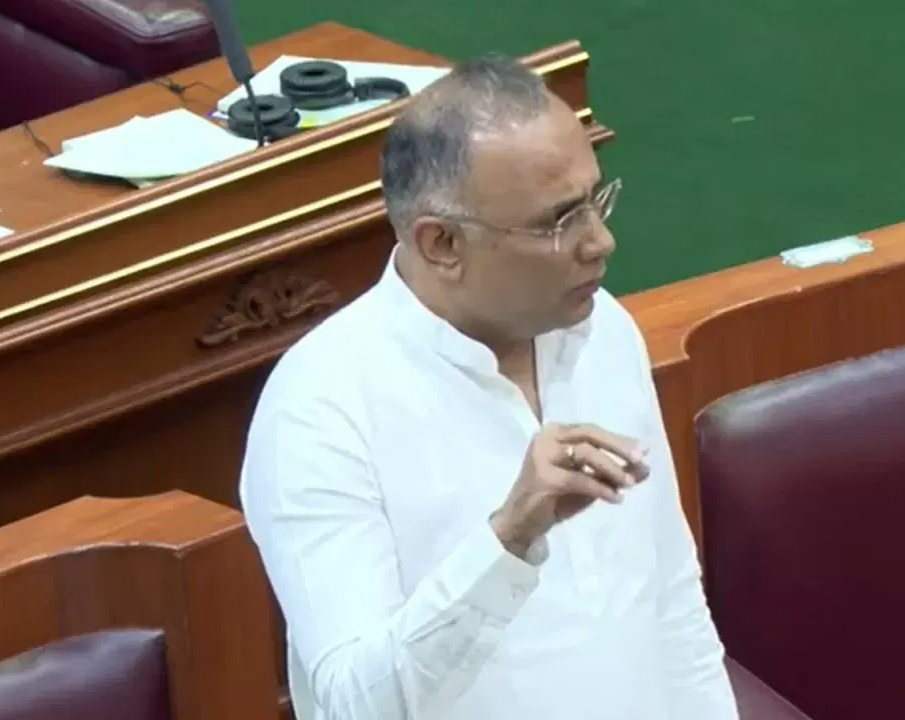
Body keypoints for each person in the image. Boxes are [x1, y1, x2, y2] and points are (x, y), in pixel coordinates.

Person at [239, 53, 738, 720]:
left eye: (596, 201)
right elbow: (353, 704)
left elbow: (670, 599)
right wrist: (508, 540)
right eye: (560, 221)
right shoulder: (318, 409)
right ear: (442, 243)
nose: (600, 242)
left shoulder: (605, 331)